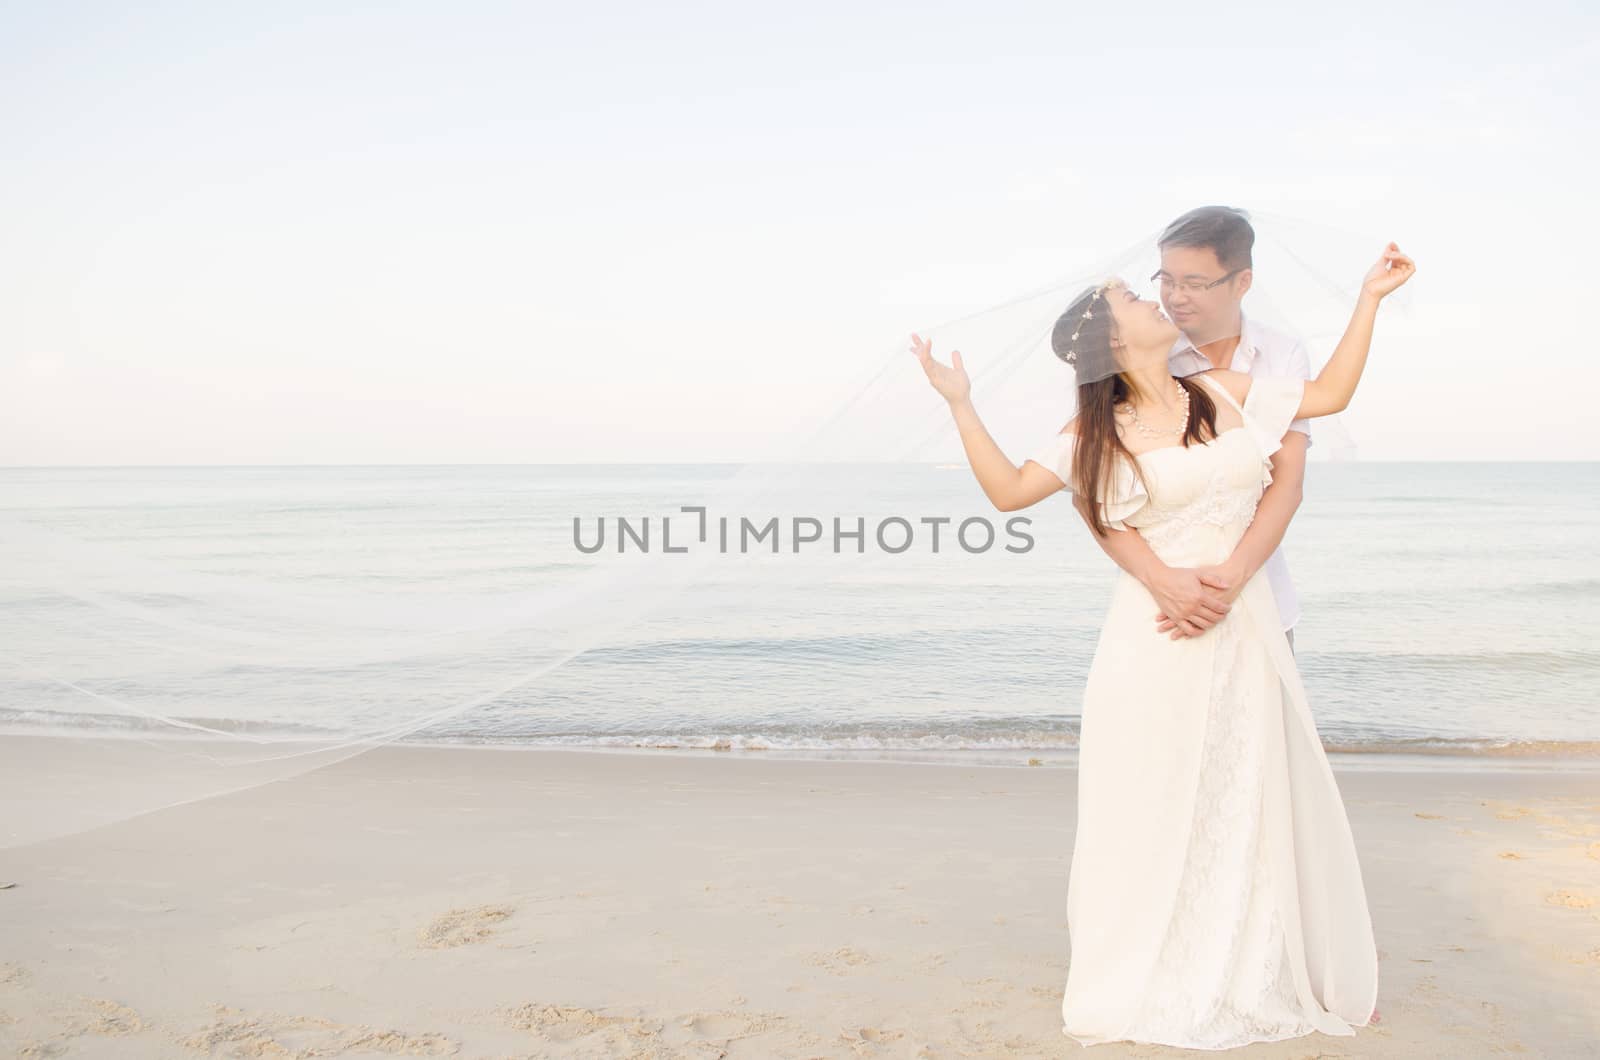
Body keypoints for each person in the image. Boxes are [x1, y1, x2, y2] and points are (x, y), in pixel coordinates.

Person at [907, 242, 1414, 1049]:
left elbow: (1331, 395)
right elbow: (1008, 493)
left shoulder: (1216, 390)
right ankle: (1153, 965)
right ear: (1115, 339)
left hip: (1240, 627)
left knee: (1243, 797)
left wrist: (1370, 300)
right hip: (1156, 636)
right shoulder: (1093, 429)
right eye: (1134, 301)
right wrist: (960, 403)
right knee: (1155, 800)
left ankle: (1249, 964)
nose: (1155, 302)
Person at [1078, 206, 1312, 650]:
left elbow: (1287, 483)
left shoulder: (1281, 355)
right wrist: (1159, 579)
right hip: (1164, 606)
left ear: (1242, 282)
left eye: (1194, 284)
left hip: (1261, 595)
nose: (1175, 296)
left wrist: (1233, 578)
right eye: (1166, 280)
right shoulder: (1145, 351)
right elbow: (1092, 492)